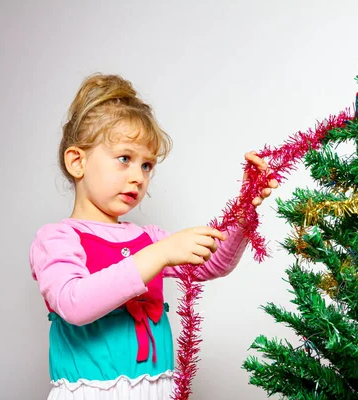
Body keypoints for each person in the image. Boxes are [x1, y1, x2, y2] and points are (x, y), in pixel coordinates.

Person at [29, 73, 278, 399]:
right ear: (78, 161)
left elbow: (211, 263)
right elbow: (73, 304)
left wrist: (244, 208)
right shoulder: (57, 238)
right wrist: (158, 254)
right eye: (124, 159)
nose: (138, 177)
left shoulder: (149, 238)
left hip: (158, 390)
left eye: (147, 166)